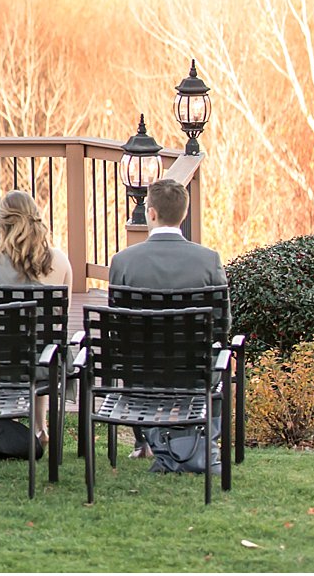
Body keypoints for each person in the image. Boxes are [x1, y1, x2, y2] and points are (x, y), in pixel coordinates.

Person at [107, 177, 225, 458]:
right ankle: (205, 442)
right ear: (183, 214)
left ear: (151, 213)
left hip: (138, 369)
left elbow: (115, 326)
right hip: (193, 368)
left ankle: (143, 443)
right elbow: (222, 324)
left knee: (134, 353)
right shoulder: (209, 260)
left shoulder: (123, 261)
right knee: (219, 357)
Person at [0, 189, 72, 443]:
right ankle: (40, 427)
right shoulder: (60, 262)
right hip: (45, 365)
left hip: (0, 363)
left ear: (1, 224)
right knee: (40, 340)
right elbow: (61, 316)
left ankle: (13, 422)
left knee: (13, 342)